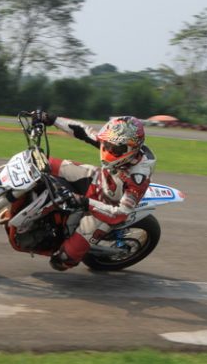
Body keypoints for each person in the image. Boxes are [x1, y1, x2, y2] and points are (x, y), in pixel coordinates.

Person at [30, 111, 156, 271]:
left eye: (115, 149)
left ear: (131, 149)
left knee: (62, 260)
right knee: (40, 164)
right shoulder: (116, 141)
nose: (108, 150)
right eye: (107, 145)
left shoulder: (138, 177)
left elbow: (120, 214)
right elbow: (83, 131)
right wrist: (51, 119)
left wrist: (85, 202)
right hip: (98, 178)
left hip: (107, 208)